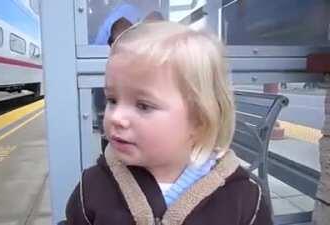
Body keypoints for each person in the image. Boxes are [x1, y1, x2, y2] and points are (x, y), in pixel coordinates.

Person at [66, 21, 272, 225]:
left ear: (199, 120)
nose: (116, 117)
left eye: (143, 106)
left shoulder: (244, 199)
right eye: (112, 100)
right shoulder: (93, 187)